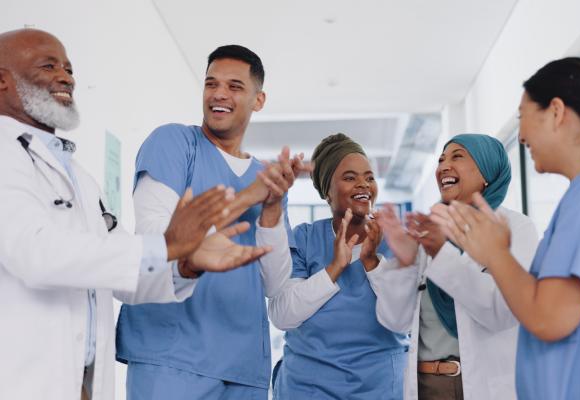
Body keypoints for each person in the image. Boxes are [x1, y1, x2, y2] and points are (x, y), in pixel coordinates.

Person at [0, 29, 271, 400]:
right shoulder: (5, 155)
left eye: (69, 67)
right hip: (22, 377)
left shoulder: (78, 177)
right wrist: (165, 247)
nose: (67, 77)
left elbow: (127, 280)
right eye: (49, 66)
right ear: (2, 81)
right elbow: (36, 254)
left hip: (79, 380)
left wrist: (185, 264)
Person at [429, 58, 580, 400]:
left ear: (556, 112)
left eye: (522, 118)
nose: (522, 134)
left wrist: (495, 254)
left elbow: (548, 317)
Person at [116, 45, 306, 400]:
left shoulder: (268, 178)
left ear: (258, 100)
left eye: (235, 86)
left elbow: (274, 285)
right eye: (211, 83)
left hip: (244, 365)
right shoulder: (174, 142)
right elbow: (156, 239)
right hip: (171, 357)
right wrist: (249, 197)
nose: (219, 94)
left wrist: (271, 209)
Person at [372, 133, 538, 400]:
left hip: (483, 386)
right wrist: (403, 264)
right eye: (441, 159)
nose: (443, 166)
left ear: (487, 171)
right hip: (426, 386)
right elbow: (396, 322)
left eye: (457, 156)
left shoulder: (517, 228)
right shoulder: (431, 230)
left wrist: (441, 254)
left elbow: (504, 313)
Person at [263, 133, 409, 399]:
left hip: (380, 388)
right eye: (350, 177)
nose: (363, 184)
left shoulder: (396, 239)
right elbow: (282, 315)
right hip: (308, 388)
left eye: (369, 177)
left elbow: (406, 318)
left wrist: (372, 262)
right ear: (326, 191)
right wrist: (335, 268)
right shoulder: (305, 238)